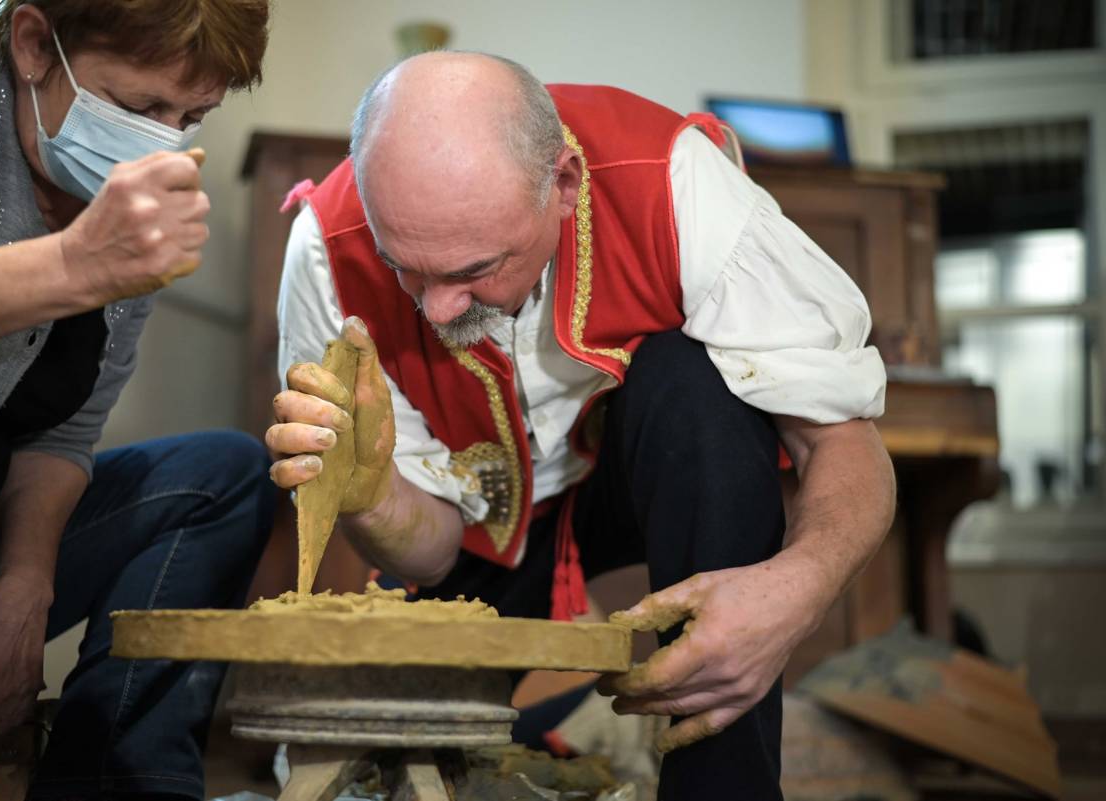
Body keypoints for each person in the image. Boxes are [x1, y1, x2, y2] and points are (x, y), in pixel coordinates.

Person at [269, 52, 895, 798]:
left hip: (633, 479)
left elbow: (842, 439)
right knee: (379, 762)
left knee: (697, 388)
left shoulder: (675, 184)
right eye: (405, 266)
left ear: (563, 184)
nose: (435, 310)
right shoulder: (324, 251)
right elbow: (432, 553)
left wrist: (794, 591)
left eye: (473, 268)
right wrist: (371, 496)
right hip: (475, 526)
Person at [0, 3, 274, 799]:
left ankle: (121, 777)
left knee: (229, 471)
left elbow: (65, 434)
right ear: (36, 44)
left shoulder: (122, 194)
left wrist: (22, 582)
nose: (162, 138)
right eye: (140, 108)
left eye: (191, 116)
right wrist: (77, 266)